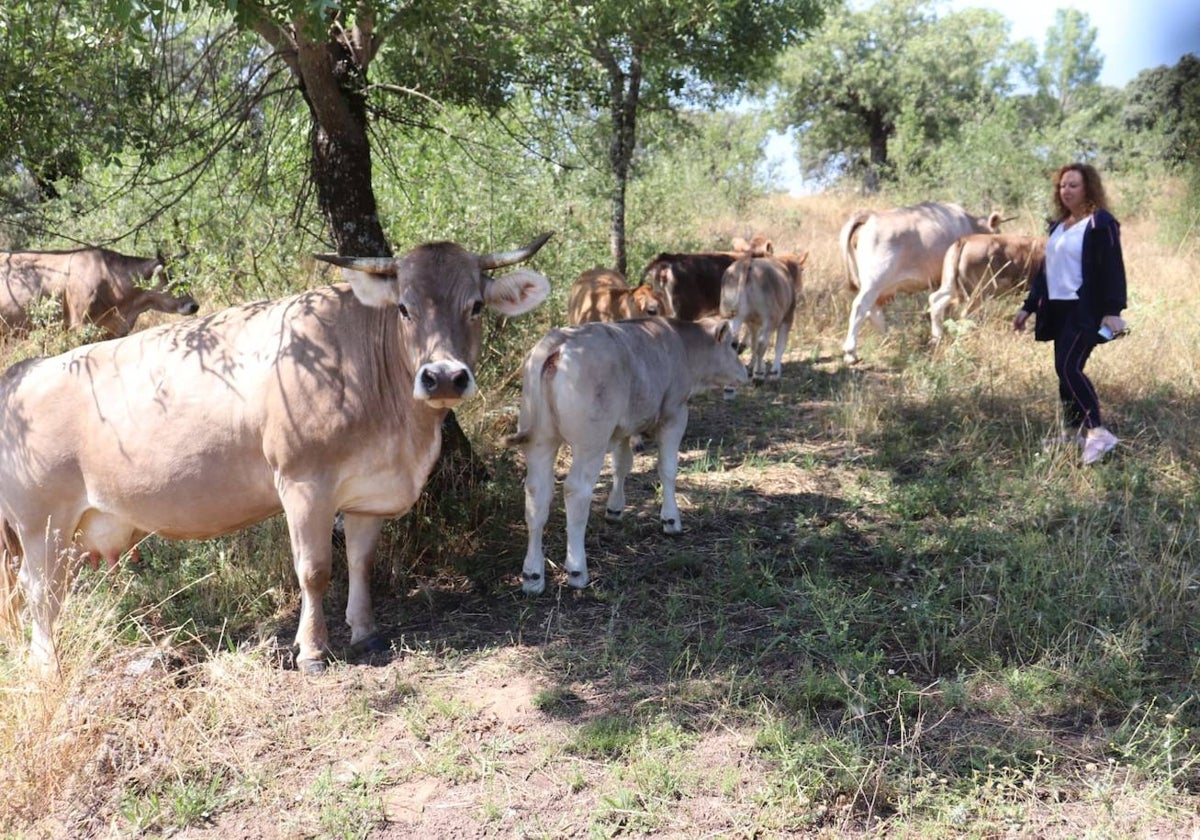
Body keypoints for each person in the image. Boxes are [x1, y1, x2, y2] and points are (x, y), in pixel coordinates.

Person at [1013, 163, 1128, 465]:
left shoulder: (1100, 223)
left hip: (1084, 308)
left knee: (1069, 367)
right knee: (1061, 372)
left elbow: (1112, 269)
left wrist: (1113, 311)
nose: (1066, 190)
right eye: (1063, 185)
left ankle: (1098, 432)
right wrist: (1028, 306)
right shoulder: (1059, 226)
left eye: (1073, 185)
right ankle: (1074, 430)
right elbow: (1045, 272)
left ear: (1088, 188)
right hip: (1056, 308)